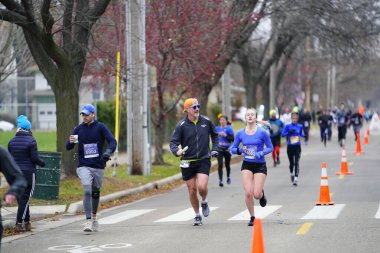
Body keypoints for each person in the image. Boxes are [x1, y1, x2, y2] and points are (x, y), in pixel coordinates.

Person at [66, 104, 117, 232]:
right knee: (87, 190)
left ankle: (94, 217)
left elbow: (113, 141)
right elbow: (68, 147)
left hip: (98, 166)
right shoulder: (78, 129)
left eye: (87, 114)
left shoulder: (100, 127)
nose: (84, 117)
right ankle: (88, 221)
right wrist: (70, 142)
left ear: (93, 114)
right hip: (83, 165)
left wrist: (107, 152)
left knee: (95, 192)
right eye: (82, 114)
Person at [169, 98, 219, 226]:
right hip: (188, 161)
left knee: (202, 187)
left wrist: (215, 149)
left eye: (198, 106)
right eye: (194, 107)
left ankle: (204, 201)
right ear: (187, 110)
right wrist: (177, 151)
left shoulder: (206, 122)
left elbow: (215, 135)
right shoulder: (181, 126)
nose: (197, 109)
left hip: (203, 159)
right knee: (192, 190)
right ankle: (197, 215)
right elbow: (173, 142)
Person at [230, 108, 273, 226]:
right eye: (248, 115)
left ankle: (261, 194)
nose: (250, 116)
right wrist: (240, 150)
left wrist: (261, 153)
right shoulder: (240, 133)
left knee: (256, 194)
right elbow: (232, 149)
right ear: (245, 117)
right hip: (247, 164)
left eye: (252, 115)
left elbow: (270, 147)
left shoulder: (262, 132)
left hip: (260, 164)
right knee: (248, 193)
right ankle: (252, 217)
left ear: (255, 118)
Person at [8, 115, 45, 232]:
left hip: (15, 175)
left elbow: (9, 159)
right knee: (26, 198)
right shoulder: (31, 140)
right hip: (29, 173)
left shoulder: (11, 142)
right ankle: (19, 223)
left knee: (22, 199)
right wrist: (42, 163)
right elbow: (34, 159)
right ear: (28, 129)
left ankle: (27, 222)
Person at [0, 145, 27, 243]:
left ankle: (21, 222)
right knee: (26, 199)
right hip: (28, 169)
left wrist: (13, 192)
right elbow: (34, 157)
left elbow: (18, 178)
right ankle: (22, 222)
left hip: (20, 169)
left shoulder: (1, 151)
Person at [282, 112, 305, 186]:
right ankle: (291, 173)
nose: (294, 120)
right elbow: (282, 135)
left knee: (296, 162)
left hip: (297, 147)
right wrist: (289, 132)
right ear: (291, 119)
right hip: (290, 147)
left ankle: (295, 178)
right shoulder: (287, 126)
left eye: (296, 118)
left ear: (297, 119)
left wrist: (303, 135)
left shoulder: (300, 126)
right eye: (293, 118)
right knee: (291, 163)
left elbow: (302, 134)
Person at [215, 115, 234, 187]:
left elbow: (232, 139)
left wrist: (225, 135)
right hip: (219, 149)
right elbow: (213, 137)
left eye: (223, 120)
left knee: (227, 164)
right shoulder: (216, 128)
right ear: (219, 121)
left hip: (227, 149)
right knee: (220, 164)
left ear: (226, 121)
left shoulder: (229, 128)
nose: (222, 121)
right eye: (221, 120)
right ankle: (220, 180)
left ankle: (228, 177)